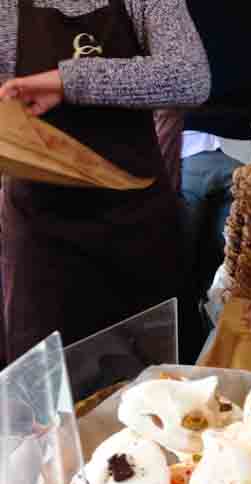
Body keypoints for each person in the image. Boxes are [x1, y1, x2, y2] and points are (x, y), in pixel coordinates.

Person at [0, 0, 210, 364]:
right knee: (46, 399)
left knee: (161, 392)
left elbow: (190, 76)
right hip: (41, 232)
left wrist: (68, 81)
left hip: (139, 224)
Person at [181, 0, 251, 305]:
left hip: (185, 149)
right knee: (232, 278)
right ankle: (219, 346)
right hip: (240, 156)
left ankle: (184, 347)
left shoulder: (172, 9)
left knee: (176, 275)